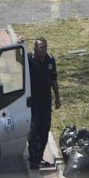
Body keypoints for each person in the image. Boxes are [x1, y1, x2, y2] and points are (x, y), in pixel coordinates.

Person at [26, 37, 61, 170]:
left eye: (45, 47)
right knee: (34, 128)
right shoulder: (29, 59)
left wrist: (57, 97)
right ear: (35, 48)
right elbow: (17, 59)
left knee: (44, 128)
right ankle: (33, 158)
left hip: (46, 100)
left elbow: (53, 79)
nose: (44, 50)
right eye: (41, 48)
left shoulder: (50, 60)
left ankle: (39, 156)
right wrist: (19, 45)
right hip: (33, 100)